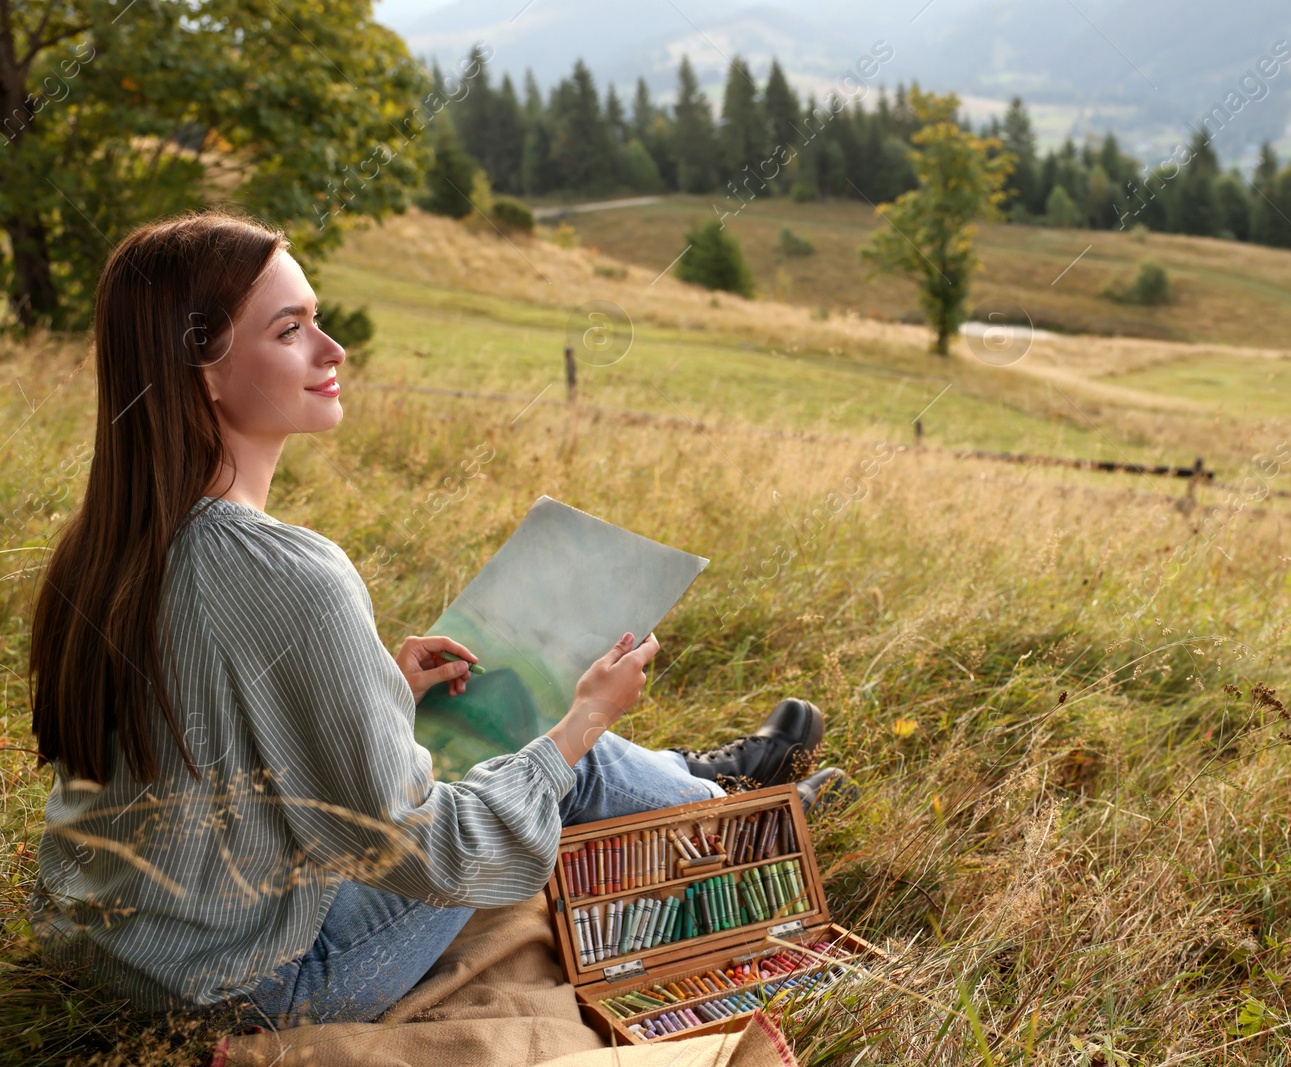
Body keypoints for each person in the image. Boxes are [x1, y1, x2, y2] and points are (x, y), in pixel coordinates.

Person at [24, 211, 848, 1030]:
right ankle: (758, 823)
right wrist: (584, 722)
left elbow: (200, 740)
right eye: (291, 330)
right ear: (201, 370)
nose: (333, 349)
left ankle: (710, 784)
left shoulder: (101, 548)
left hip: (107, 945)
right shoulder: (293, 572)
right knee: (556, 756)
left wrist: (376, 685)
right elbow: (431, 853)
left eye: (318, 318)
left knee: (498, 733)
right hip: (253, 984)